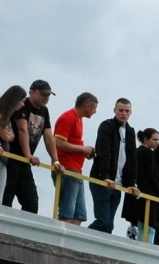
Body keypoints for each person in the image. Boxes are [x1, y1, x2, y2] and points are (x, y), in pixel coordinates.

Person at [3, 80, 63, 214]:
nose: (46, 98)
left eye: (48, 95)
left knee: (31, 203)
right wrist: (28, 155)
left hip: (24, 163)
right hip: (11, 158)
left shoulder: (44, 111)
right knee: (6, 198)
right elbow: (22, 129)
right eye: (43, 94)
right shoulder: (22, 105)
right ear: (32, 92)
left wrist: (55, 160)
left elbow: (48, 137)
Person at [88, 98, 138, 234]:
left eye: (127, 111)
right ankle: (77, 238)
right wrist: (105, 176)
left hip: (117, 184)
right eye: (121, 110)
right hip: (101, 181)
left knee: (109, 226)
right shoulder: (107, 126)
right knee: (103, 221)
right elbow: (103, 152)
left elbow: (132, 158)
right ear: (114, 110)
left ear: (131, 113)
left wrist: (132, 183)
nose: (124, 113)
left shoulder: (130, 131)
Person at [52, 92, 98, 225]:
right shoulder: (68, 118)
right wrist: (83, 149)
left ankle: (69, 243)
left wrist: (83, 152)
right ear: (87, 106)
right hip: (67, 168)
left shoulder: (78, 119)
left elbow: (72, 142)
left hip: (75, 169)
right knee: (67, 211)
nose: (95, 112)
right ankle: (60, 243)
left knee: (79, 214)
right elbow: (59, 143)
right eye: (94, 108)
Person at [122, 127, 159, 242]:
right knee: (148, 229)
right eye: (154, 140)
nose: (157, 143)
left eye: (158, 140)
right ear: (145, 139)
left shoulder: (137, 152)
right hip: (145, 196)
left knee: (142, 226)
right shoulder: (148, 153)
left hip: (138, 195)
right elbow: (151, 176)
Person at [0, 85, 28, 198]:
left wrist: (3, 131)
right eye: (22, 101)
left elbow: (10, 136)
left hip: (3, 162)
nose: (23, 104)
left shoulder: (7, 117)